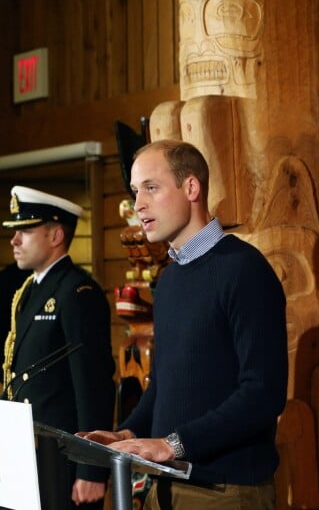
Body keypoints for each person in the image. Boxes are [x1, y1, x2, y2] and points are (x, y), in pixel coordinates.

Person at [81, 139, 288, 509]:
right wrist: (126, 432)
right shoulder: (172, 279)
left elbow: (263, 393)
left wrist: (171, 444)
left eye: (151, 187)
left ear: (191, 187)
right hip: (168, 485)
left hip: (225, 490)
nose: (138, 204)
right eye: (134, 191)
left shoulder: (243, 269)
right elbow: (164, 384)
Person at [1, 185, 115, 510]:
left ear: (55, 236)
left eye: (25, 231)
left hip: (60, 459)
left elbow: (92, 386)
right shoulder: (29, 290)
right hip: (28, 453)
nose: (14, 240)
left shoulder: (77, 292)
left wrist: (91, 468)